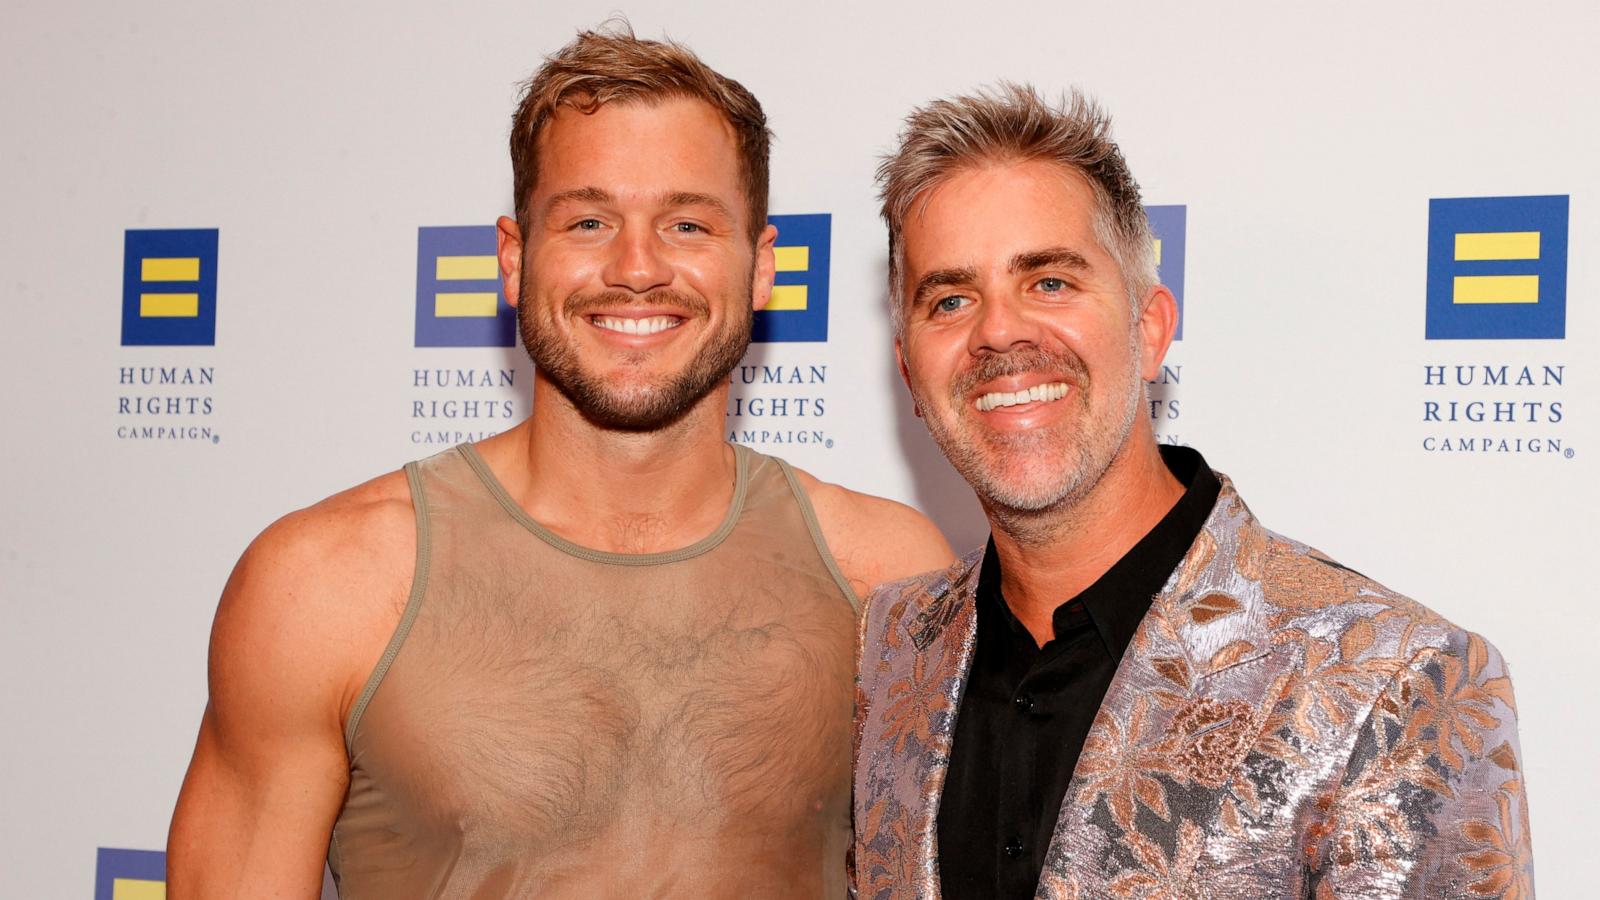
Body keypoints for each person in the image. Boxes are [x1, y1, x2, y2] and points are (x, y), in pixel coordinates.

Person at [167, 25, 952, 898]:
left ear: (761, 265)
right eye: (588, 221)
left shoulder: (887, 576)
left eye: (687, 223)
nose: (637, 268)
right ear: (513, 258)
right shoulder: (325, 582)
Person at [852, 84, 1533, 899]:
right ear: (909, 370)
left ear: (1149, 329)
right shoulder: (891, 646)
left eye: (1051, 282)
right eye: (951, 299)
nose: (998, 331)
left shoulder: (1398, 682)